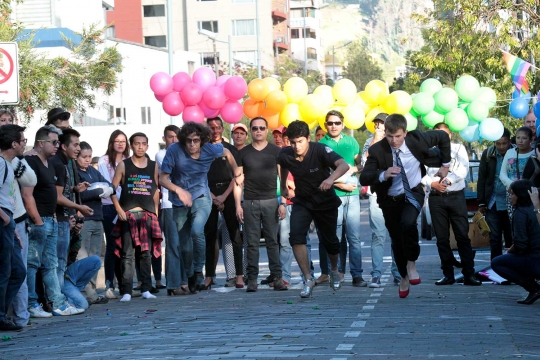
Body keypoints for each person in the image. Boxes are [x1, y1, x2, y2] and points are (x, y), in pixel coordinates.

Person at [360, 114, 451, 298]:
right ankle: (403, 276)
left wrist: (446, 165)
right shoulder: (377, 150)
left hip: (413, 193)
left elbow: (442, 137)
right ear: (385, 133)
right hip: (389, 199)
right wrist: (383, 174)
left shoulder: (417, 139)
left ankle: (412, 263)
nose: (394, 141)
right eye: (390, 136)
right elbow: (364, 177)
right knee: (396, 239)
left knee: (408, 224)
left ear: (405, 133)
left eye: (398, 136)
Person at [159, 122, 239, 295]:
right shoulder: (174, 150)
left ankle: (198, 271)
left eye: (196, 141)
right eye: (188, 141)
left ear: (202, 141)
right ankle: (190, 275)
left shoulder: (210, 149)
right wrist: (179, 190)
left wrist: (236, 173)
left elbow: (227, 152)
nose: (192, 145)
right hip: (179, 201)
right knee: (185, 246)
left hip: (202, 196)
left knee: (197, 231)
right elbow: (163, 179)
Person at [278, 121, 349, 298]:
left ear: (308, 139)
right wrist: (283, 186)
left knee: (330, 241)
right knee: (295, 237)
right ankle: (308, 278)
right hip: (303, 201)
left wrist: (330, 179)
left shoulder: (320, 149)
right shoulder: (286, 154)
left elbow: (343, 165)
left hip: (325, 201)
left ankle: (333, 270)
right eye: (293, 142)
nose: (297, 146)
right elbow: (282, 165)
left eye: (300, 141)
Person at [25, 126, 84, 316]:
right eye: (54, 142)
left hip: (51, 219)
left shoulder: (49, 163)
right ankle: (32, 304)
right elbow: (27, 195)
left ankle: (57, 303)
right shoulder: (30, 162)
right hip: (39, 220)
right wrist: (37, 220)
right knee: (32, 264)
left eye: (58, 142)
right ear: (41, 143)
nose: (57, 146)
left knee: (51, 264)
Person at [421, 123, 481, 286]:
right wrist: (432, 184)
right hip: (436, 197)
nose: (441, 137)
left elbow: (463, 169)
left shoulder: (458, 148)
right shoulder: (427, 151)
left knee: (462, 236)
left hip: (455, 196)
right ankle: (448, 274)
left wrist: (448, 180)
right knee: (442, 238)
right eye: (437, 134)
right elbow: (419, 172)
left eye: (444, 134)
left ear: (450, 135)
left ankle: (469, 274)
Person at [234, 117, 287, 292]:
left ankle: (277, 278)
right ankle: (252, 280)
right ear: (251, 130)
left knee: (273, 241)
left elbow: (283, 178)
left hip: (272, 201)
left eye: (262, 128)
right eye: (255, 128)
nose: (258, 131)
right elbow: (237, 181)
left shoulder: (276, 151)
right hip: (249, 202)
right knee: (252, 243)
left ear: (266, 130)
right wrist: (238, 205)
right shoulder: (243, 153)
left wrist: (283, 203)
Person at [110, 132, 161, 302]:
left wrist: (155, 214)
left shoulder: (153, 165)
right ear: (131, 146)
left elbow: (155, 190)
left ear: (147, 146)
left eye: (144, 144)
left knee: (145, 254)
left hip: (147, 215)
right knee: (127, 254)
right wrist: (118, 209)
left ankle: (146, 288)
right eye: (137, 144)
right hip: (128, 215)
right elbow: (112, 189)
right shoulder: (123, 165)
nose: (140, 147)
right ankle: (126, 291)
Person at [319, 110, 366, 287]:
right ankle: (337, 273)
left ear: (343, 124)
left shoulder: (351, 141)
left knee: (354, 237)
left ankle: (357, 275)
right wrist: (340, 184)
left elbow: (359, 164)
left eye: (337, 123)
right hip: (333, 196)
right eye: (330, 123)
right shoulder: (321, 144)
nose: (333, 126)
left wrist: (353, 169)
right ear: (325, 125)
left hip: (352, 196)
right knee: (335, 237)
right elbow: (323, 175)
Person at [49, 129, 93, 295]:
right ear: (63, 146)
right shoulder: (59, 164)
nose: (78, 149)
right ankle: (58, 299)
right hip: (58, 220)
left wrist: (75, 189)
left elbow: (62, 191)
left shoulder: (66, 163)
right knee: (58, 263)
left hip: (65, 219)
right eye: (75, 145)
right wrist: (79, 207)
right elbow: (57, 197)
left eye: (79, 145)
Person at [1, 124, 36, 328]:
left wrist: (11, 224)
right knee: (6, 270)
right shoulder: (1, 164)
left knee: (17, 271)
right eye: (22, 140)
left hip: (9, 221)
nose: (24, 144)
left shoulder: (9, 164)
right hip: (4, 219)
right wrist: (5, 218)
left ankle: (2, 312)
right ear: (13, 143)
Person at [361, 113, 401, 287]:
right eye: (376, 125)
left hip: (395, 194)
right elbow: (364, 166)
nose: (379, 128)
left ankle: (398, 272)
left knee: (396, 235)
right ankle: (376, 274)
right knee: (378, 235)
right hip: (376, 195)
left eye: (382, 124)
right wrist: (375, 141)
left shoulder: (397, 142)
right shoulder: (369, 143)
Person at [204, 117, 243, 288]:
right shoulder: (202, 149)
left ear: (222, 128)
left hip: (228, 193)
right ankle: (209, 275)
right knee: (210, 236)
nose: (215, 130)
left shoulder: (231, 149)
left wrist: (224, 196)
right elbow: (199, 176)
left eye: (218, 127)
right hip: (208, 193)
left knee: (235, 236)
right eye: (211, 128)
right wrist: (213, 197)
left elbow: (238, 176)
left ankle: (239, 275)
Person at [76, 141, 114, 304]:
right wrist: (99, 190)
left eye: (90, 157)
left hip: (98, 218)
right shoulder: (75, 172)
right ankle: (84, 292)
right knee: (83, 257)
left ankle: (92, 293)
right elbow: (82, 195)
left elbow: (110, 185)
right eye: (84, 156)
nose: (87, 160)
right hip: (85, 218)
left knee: (96, 258)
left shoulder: (92, 170)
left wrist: (101, 189)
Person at [491, 180, 540, 305]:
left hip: (534, 259)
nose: (510, 197)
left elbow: (521, 245)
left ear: (520, 195)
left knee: (497, 263)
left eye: (512, 194)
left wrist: (509, 251)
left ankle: (533, 288)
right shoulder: (534, 210)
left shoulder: (521, 213)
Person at [98, 130, 130, 299]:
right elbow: (108, 186)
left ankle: (126, 285)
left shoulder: (128, 161)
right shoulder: (103, 161)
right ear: (111, 143)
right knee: (112, 246)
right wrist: (118, 204)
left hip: (127, 207)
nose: (120, 144)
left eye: (123, 141)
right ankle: (109, 285)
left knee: (126, 247)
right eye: (117, 141)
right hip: (109, 207)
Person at [477, 128, 514, 260]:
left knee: (511, 237)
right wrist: (481, 201)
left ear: (509, 141)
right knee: (494, 237)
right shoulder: (488, 154)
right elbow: (482, 179)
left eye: (504, 143)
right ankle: (496, 267)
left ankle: (511, 266)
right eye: (498, 143)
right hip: (493, 202)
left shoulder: (515, 153)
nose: (501, 147)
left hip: (511, 201)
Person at [155, 125, 181, 293]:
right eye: (170, 137)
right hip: (169, 204)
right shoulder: (162, 155)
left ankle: (184, 281)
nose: (174, 140)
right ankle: (172, 283)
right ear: (164, 138)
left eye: (177, 137)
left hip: (184, 204)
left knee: (185, 244)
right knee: (172, 245)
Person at [500, 126, 535, 219]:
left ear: (531, 140)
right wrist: (512, 185)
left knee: (531, 224)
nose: (520, 141)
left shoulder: (535, 154)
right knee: (515, 223)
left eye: (524, 138)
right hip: (512, 193)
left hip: (529, 195)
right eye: (518, 138)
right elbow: (502, 174)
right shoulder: (510, 152)